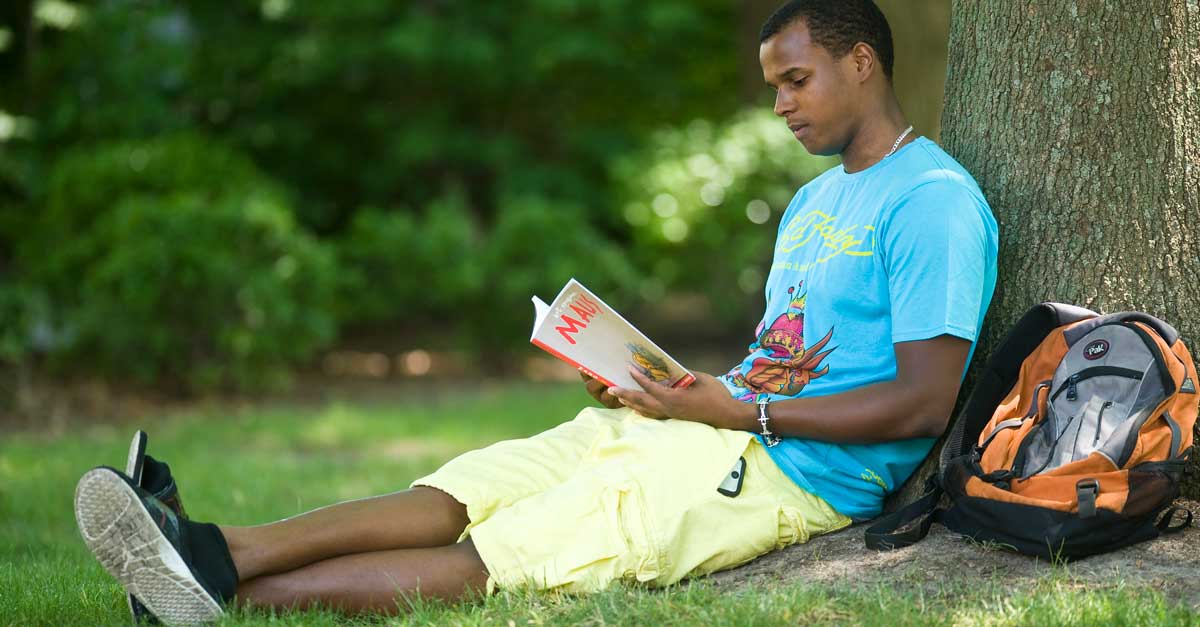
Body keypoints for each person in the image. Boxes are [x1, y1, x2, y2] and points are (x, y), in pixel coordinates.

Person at [73, 1, 999, 622]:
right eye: (772, 87)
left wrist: (733, 410)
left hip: (789, 474)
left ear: (863, 60)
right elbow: (778, 355)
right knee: (463, 486)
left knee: (506, 552)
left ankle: (219, 598)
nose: (780, 106)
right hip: (716, 425)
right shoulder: (816, 199)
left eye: (795, 81)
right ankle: (211, 549)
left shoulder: (933, 203)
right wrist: (656, 382)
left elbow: (921, 404)